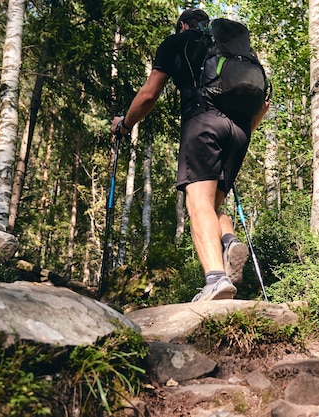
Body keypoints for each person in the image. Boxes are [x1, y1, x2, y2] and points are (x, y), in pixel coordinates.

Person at [111, 8, 269, 302]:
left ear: (183, 25)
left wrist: (124, 125)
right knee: (213, 204)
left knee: (197, 203)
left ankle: (216, 279)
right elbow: (264, 103)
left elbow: (148, 94)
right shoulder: (237, 50)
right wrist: (242, 133)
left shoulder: (177, 42)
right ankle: (229, 241)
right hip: (241, 131)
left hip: (203, 122)